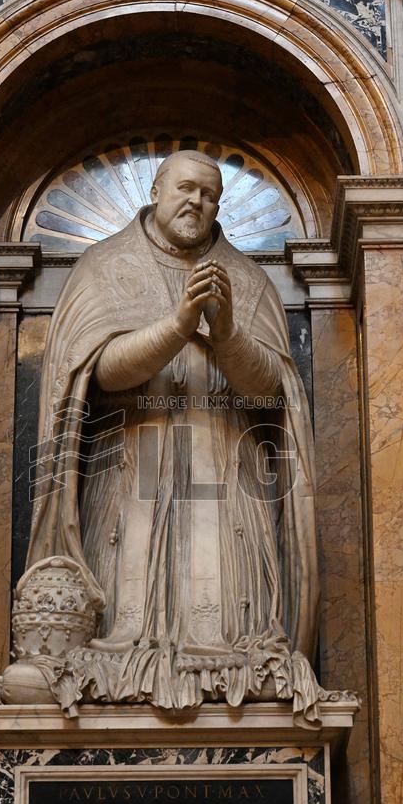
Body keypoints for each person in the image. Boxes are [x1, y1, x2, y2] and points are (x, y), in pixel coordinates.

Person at [17, 149, 320, 715]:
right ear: (156, 191)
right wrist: (180, 325)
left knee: (229, 625)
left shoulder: (247, 281)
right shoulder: (106, 267)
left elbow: (269, 391)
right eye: (185, 188)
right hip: (132, 465)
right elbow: (98, 371)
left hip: (227, 473)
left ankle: (229, 665)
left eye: (209, 195)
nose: (196, 202)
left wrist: (226, 332)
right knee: (123, 618)